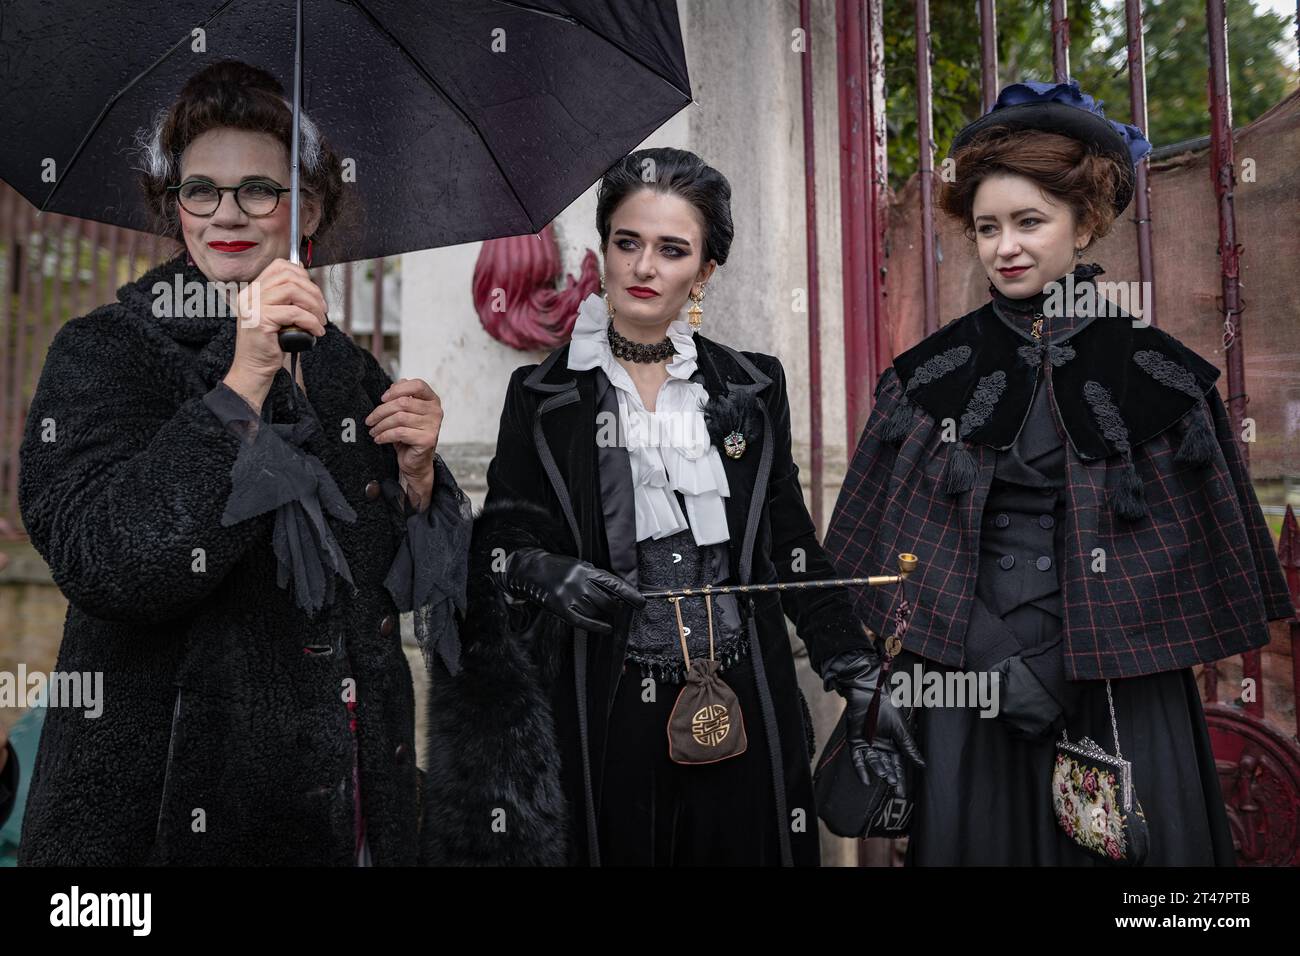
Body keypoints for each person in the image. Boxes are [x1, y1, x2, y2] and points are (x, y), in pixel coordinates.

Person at [824, 79, 1293, 865]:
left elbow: (1193, 564)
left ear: (1084, 226)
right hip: (972, 688)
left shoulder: (1163, 378)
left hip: (1119, 689)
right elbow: (885, 555)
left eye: (1029, 222)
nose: (1005, 246)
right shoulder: (927, 377)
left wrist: (1074, 660)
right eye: (986, 227)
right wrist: (997, 666)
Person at [17, 60, 470, 865]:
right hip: (164, 824)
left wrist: (419, 481)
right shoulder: (105, 351)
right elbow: (108, 562)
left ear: (312, 207)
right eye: (201, 189)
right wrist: (242, 384)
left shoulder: (347, 373)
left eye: (260, 189)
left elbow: (402, 592)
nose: (228, 213)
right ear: (174, 205)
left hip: (347, 812)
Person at [422, 147, 881, 866]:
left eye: (671, 250)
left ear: (703, 272)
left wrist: (853, 667)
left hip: (742, 695)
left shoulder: (753, 388)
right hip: (603, 705)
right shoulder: (541, 398)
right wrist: (539, 569)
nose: (643, 267)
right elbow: (499, 542)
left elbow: (790, 544)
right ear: (603, 250)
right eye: (627, 242)